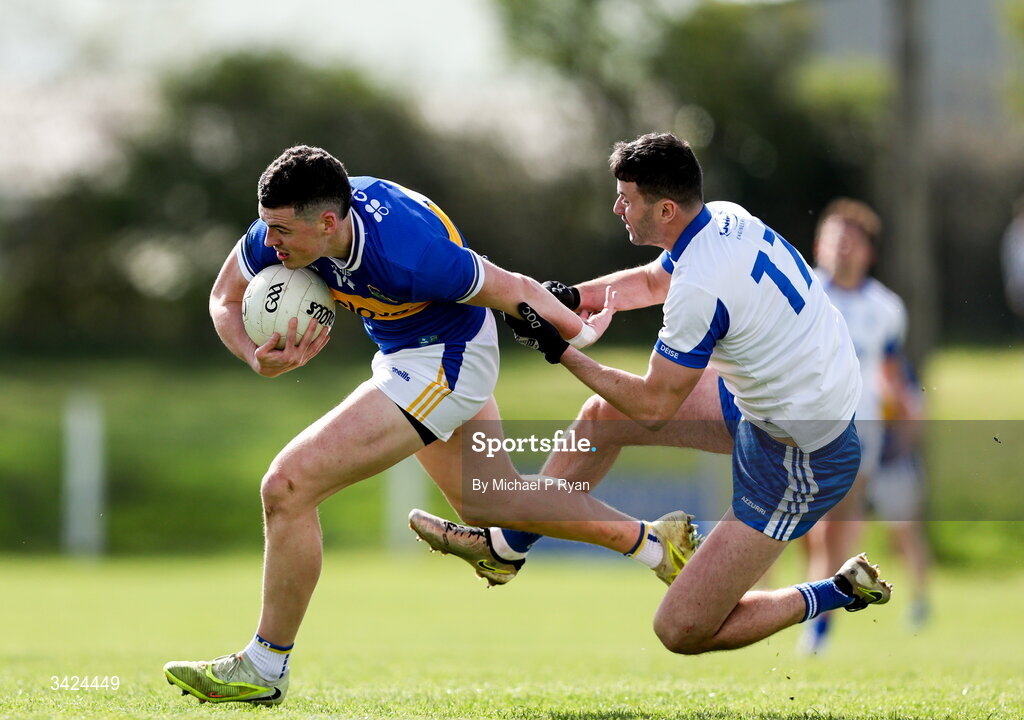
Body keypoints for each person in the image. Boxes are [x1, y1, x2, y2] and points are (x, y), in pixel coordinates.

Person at [162, 145, 700, 706]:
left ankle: (265, 665)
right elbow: (224, 296)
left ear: (327, 223)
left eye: (280, 233)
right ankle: (657, 545)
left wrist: (580, 330)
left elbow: (511, 287)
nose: (269, 243)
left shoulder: (410, 254)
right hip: (404, 355)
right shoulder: (282, 225)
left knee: (288, 485)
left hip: (449, 358)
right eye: (267, 229)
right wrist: (253, 354)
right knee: (492, 501)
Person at [411, 132, 892, 656]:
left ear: (665, 209)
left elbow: (653, 406)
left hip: (801, 454)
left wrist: (560, 350)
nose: (617, 207)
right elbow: (649, 281)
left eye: (627, 199)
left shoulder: (700, 291)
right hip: (779, 402)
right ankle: (506, 548)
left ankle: (838, 590)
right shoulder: (719, 219)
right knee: (601, 417)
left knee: (680, 630)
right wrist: (574, 297)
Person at [798, 199, 915, 654]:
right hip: (800, 420)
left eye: (851, 241)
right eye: (833, 238)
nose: (841, 248)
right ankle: (817, 598)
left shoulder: (886, 308)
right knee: (808, 532)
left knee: (834, 527)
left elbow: (889, 369)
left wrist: (906, 413)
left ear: (869, 251)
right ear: (818, 245)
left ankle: (819, 627)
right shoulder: (803, 289)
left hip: (859, 428)